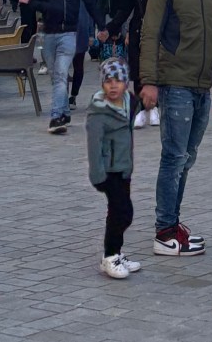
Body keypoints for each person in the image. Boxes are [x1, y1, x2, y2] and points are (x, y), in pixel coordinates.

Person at [140, 0, 212, 256]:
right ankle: (164, 230)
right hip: (174, 83)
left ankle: (173, 222)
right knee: (174, 156)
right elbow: (149, 36)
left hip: (202, 86)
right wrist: (148, 82)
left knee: (187, 157)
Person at [31, 0, 106, 134]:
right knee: (57, 76)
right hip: (49, 32)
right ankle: (64, 111)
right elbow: (33, 1)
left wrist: (102, 25)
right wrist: (49, 8)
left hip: (69, 33)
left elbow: (90, 2)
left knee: (62, 72)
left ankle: (56, 117)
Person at [86, 56, 141, 279]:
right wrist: (98, 176)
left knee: (118, 212)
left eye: (118, 81)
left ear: (126, 83)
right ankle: (110, 256)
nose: (113, 86)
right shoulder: (98, 112)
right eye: (108, 81)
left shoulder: (129, 102)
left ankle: (115, 252)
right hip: (108, 171)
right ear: (102, 84)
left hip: (124, 168)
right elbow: (94, 146)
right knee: (123, 212)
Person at [108, 0, 163, 127]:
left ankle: (155, 108)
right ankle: (142, 108)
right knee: (139, 72)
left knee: (159, 70)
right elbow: (124, 11)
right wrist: (110, 29)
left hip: (161, 36)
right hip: (139, 34)